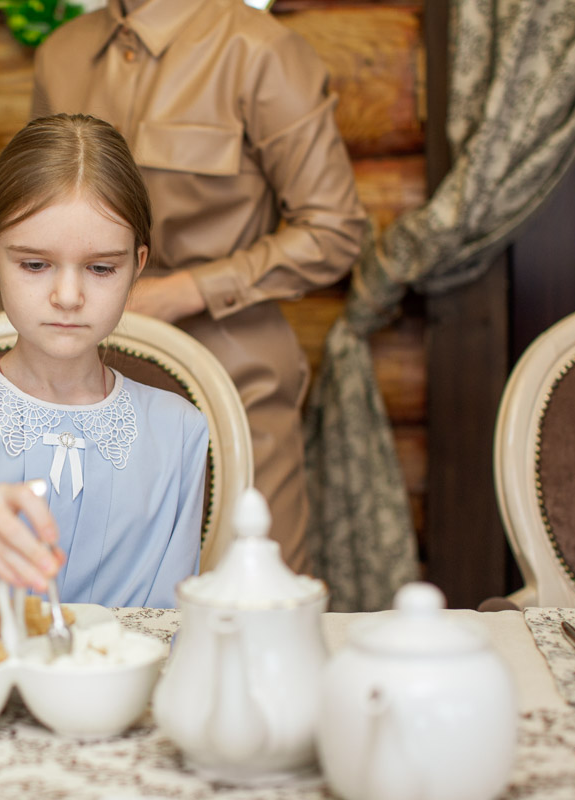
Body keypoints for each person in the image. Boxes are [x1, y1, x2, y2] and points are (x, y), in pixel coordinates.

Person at [31, 0, 368, 574]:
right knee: (80, 601)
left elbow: (334, 230)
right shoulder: (60, 53)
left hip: (236, 382)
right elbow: (32, 213)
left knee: (257, 606)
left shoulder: (261, 50)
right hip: (77, 380)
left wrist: (186, 290)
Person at [0, 113, 210, 608]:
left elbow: (174, 619)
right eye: (35, 264)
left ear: (137, 267)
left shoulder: (180, 431)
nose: (68, 296)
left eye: (101, 268)